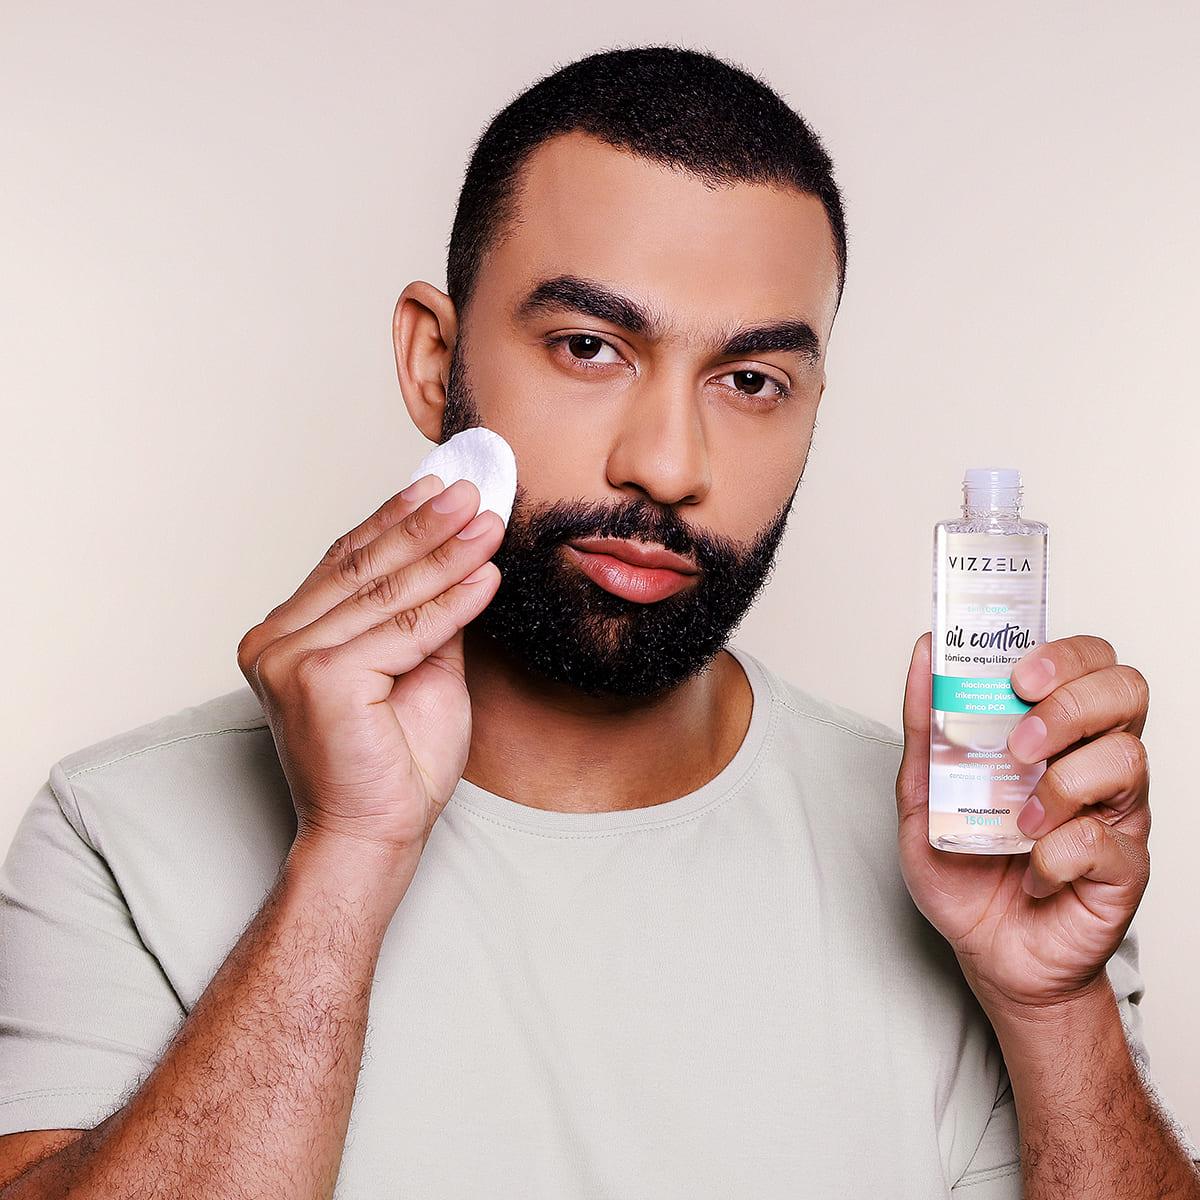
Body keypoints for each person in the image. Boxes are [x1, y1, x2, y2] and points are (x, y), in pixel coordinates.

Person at [1, 45, 1197, 1200]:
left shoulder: (983, 845)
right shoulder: (121, 833)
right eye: (588, 348)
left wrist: (1052, 1011)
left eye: (751, 382)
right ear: (432, 359)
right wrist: (347, 857)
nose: (667, 465)